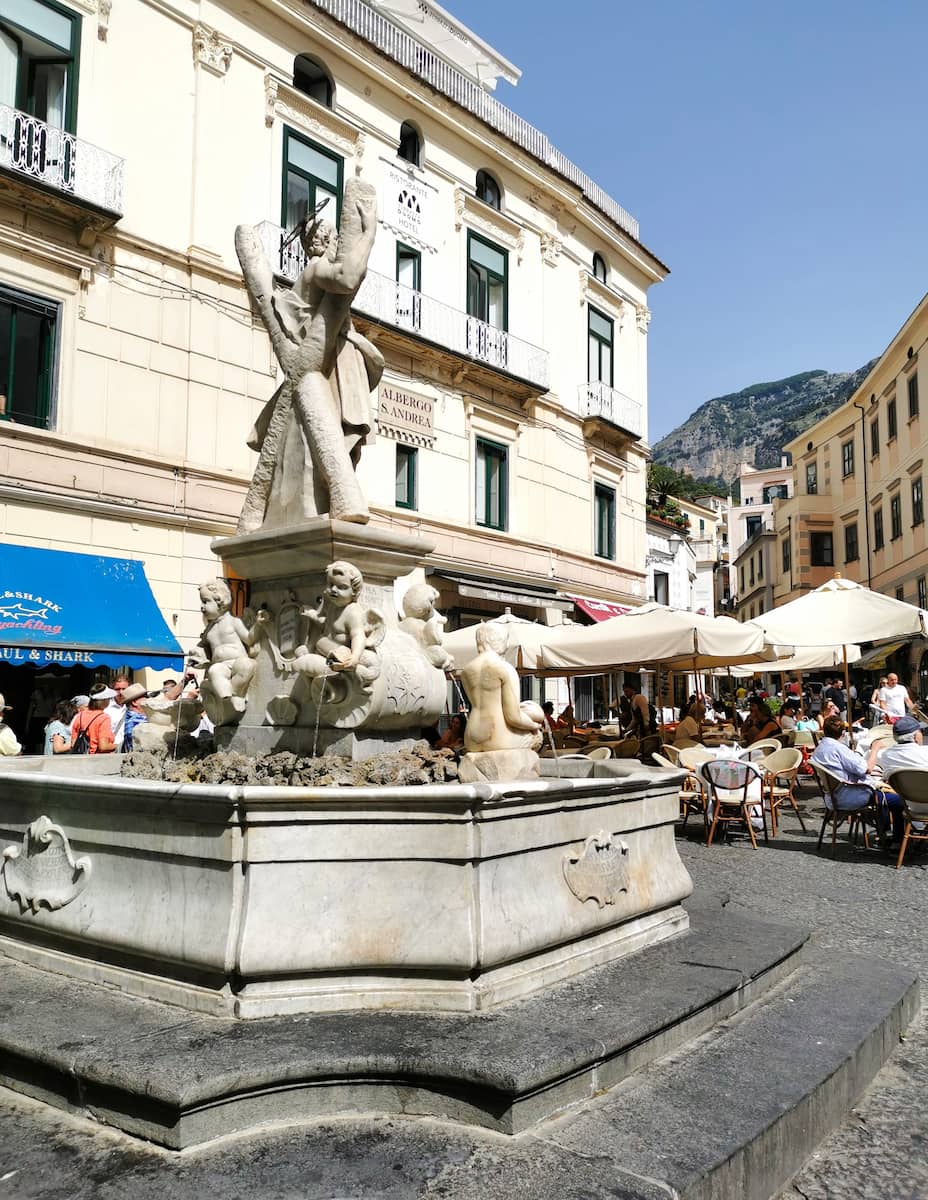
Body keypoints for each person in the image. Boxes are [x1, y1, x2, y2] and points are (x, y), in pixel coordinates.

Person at [235, 179, 383, 532]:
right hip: (314, 364)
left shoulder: (313, 276)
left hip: (317, 363)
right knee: (331, 437)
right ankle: (338, 495)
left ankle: (272, 510)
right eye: (335, 240)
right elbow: (348, 277)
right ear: (325, 244)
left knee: (322, 438)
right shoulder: (317, 269)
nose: (338, 246)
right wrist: (370, 233)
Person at [460, 623, 544, 753]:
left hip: (471, 738)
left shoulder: (466, 671)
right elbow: (513, 717)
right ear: (498, 641)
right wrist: (535, 725)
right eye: (506, 640)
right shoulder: (504, 668)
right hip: (498, 737)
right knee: (537, 737)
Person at [866, 713, 928, 842]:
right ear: (916, 736)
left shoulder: (886, 755)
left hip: (906, 804)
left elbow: (869, 768)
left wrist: (875, 749)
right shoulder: (925, 753)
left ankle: (898, 840)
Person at [70, 685, 115, 754]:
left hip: (81, 760)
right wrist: (117, 746)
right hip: (97, 760)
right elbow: (103, 746)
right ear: (104, 700)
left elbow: (73, 744)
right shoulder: (104, 718)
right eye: (109, 698)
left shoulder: (80, 716)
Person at [121, 684, 149, 752]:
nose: (148, 699)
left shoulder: (139, 719)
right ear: (134, 702)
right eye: (145, 696)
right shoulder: (134, 722)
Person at [105, 677, 131, 751]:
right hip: (112, 751)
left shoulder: (134, 707)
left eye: (124, 689)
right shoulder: (106, 708)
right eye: (117, 689)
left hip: (128, 750)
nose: (121, 692)